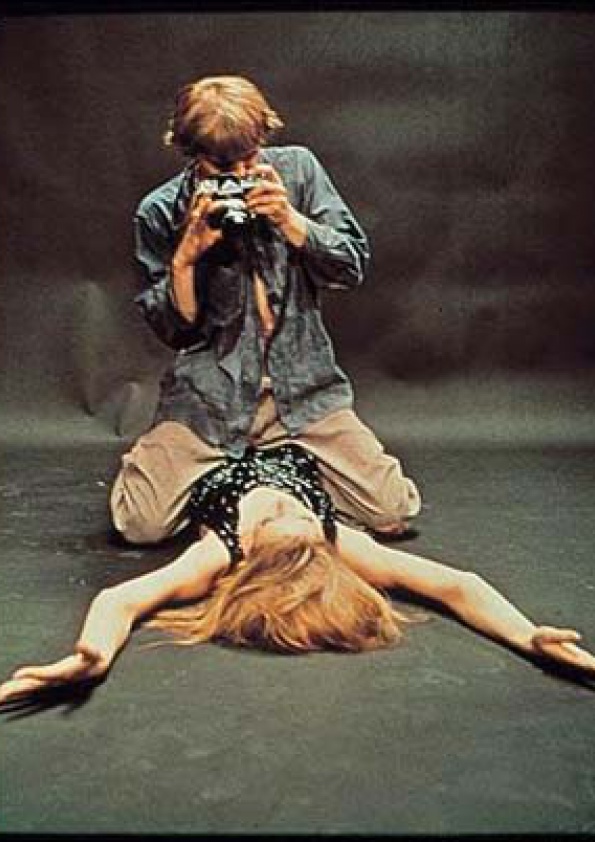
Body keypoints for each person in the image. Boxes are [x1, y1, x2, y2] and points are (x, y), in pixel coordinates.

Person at [1, 442, 593, 703]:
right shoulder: (335, 542)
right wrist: (529, 636)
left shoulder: (216, 555)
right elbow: (459, 585)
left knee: (143, 519)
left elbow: (121, 599)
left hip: (208, 453)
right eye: (301, 519)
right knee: (390, 506)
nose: (287, 508)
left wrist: (91, 655)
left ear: (249, 553)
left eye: (274, 519)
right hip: (290, 440)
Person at [109, 74, 421, 549]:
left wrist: (291, 220)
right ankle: (230, 473)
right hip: (209, 400)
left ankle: (261, 479)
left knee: (392, 511)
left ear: (263, 137)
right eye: (222, 166)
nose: (239, 173)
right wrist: (185, 260)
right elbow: (173, 333)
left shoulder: (298, 171)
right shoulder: (161, 210)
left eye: (250, 157)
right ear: (190, 151)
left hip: (301, 392)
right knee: (140, 525)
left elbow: (351, 265)